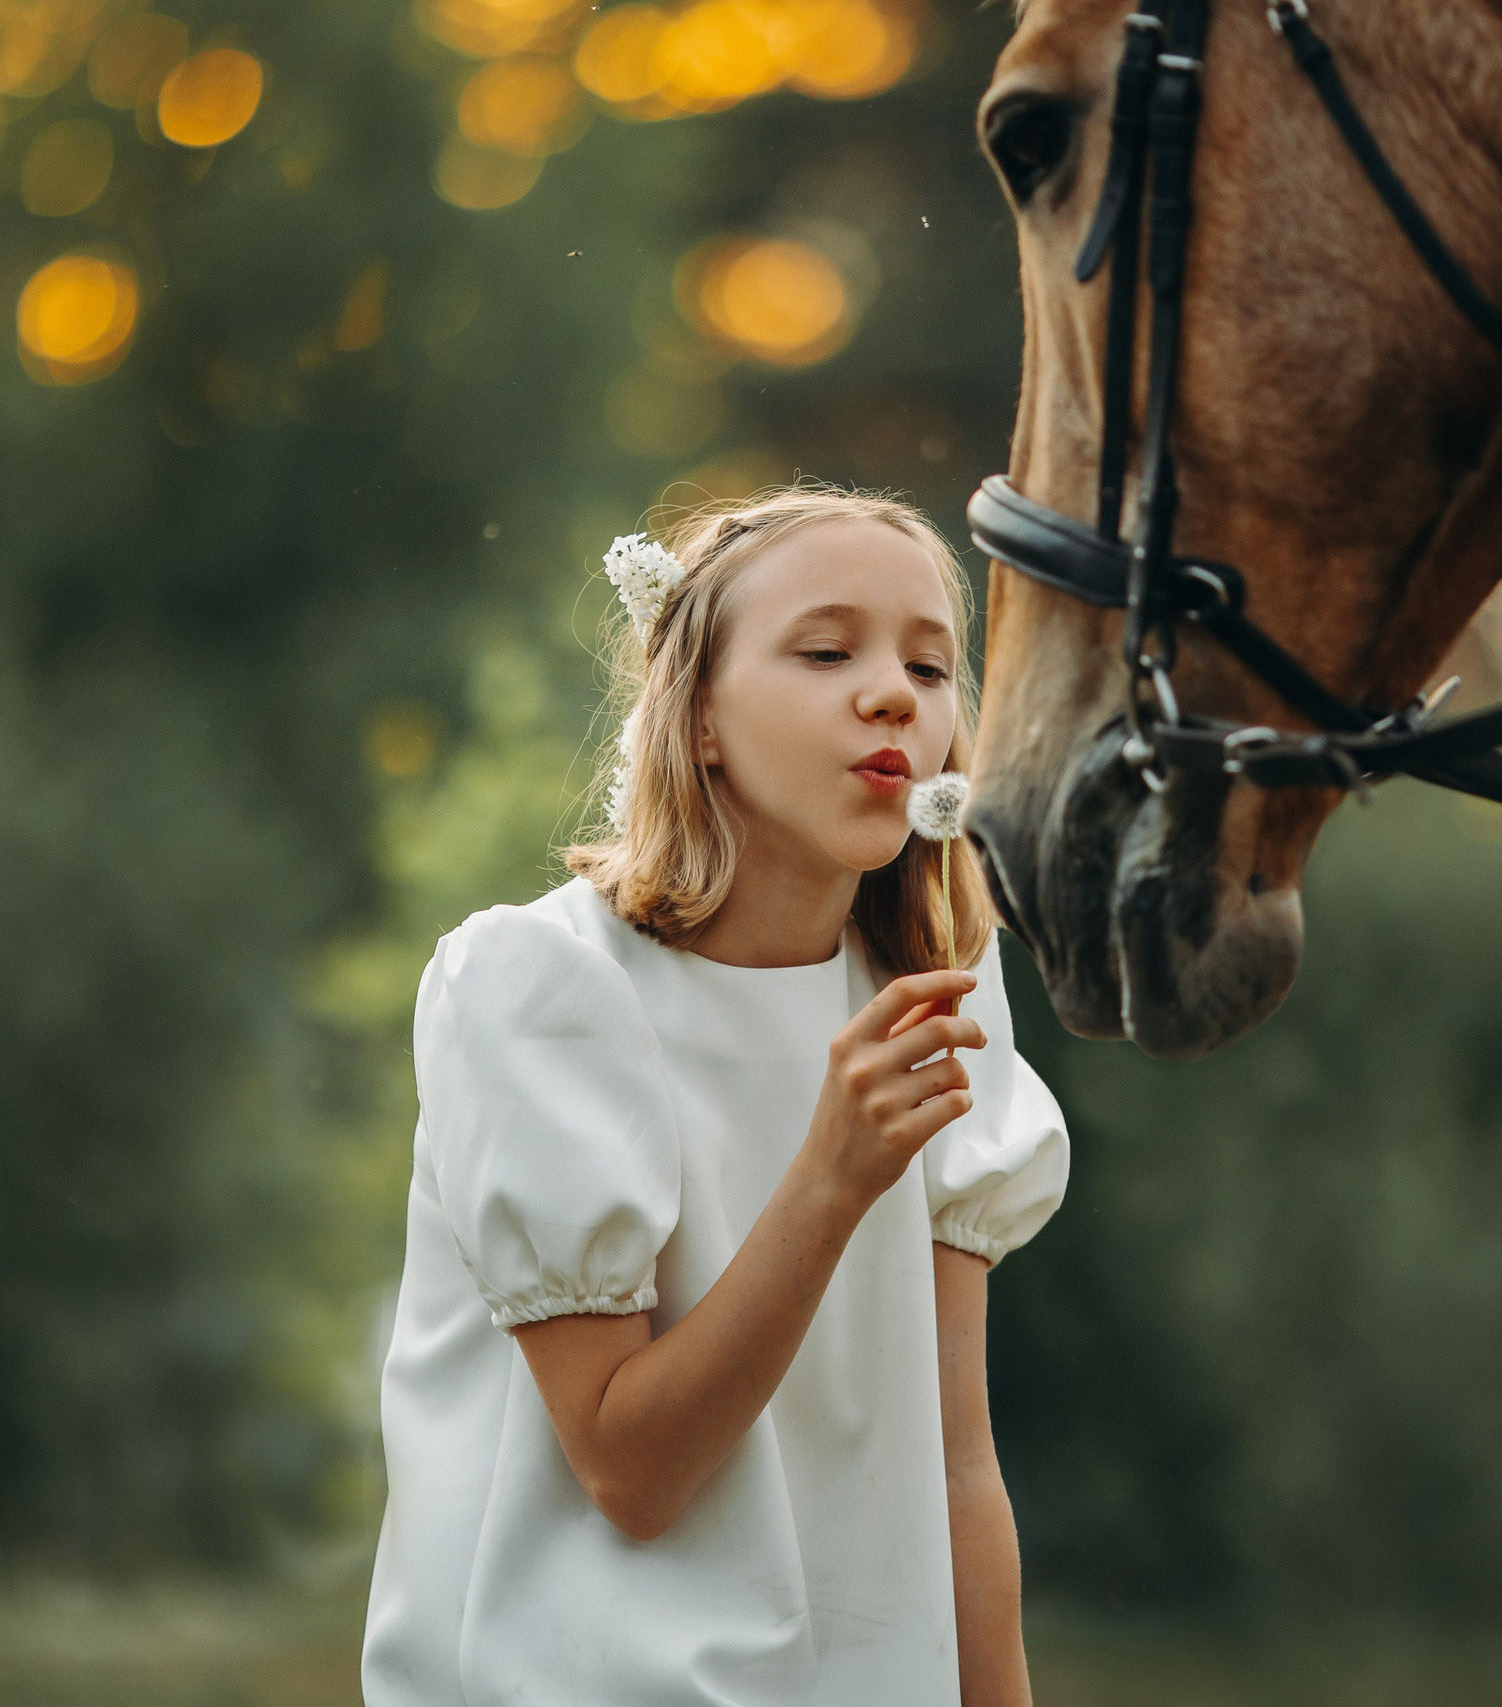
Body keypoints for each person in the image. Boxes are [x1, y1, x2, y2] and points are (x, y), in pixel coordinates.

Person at [359, 485, 1070, 1706]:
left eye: (932, 664)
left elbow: (955, 1467)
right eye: (825, 649)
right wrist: (832, 1175)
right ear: (695, 718)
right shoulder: (543, 988)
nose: (896, 691)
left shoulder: (937, 993)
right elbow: (630, 1472)